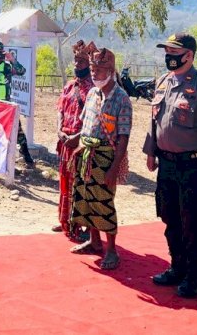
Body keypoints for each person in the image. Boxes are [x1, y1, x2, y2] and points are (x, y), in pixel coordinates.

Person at [143, 32, 197, 298]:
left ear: (188, 55)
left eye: (174, 53)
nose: (169, 57)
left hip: (194, 167)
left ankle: (195, 275)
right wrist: (151, 151)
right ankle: (177, 267)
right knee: (170, 218)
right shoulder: (162, 83)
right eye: (167, 52)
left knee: (195, 222)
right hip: (167, 165)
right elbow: (155, 120)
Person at [68, 48, 132, 270]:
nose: (94, 74)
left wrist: (114, 169)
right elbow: (86, 123)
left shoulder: (121, 99)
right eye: (93, 69)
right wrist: (74, 140)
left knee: (103, 203)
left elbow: (123, 137)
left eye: (100, 69)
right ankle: (94, 242)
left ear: (112, 70)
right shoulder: (93, 94)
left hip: (106, 157)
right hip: (86, 155)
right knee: (85, 199)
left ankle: (112, 250)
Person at [54, 40, 96, 238]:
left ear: (89, 64)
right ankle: (65, 220)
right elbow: (60, 110)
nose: (77, 64)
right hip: (65, 143)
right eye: (75, 61)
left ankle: (82, 226)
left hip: (81, 145)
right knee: (64, 182)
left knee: (81, 185)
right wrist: (59, 132)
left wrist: (76, 137)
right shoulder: (69, 86)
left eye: (82, 61)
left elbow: (96, 120)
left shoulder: (94, 90)